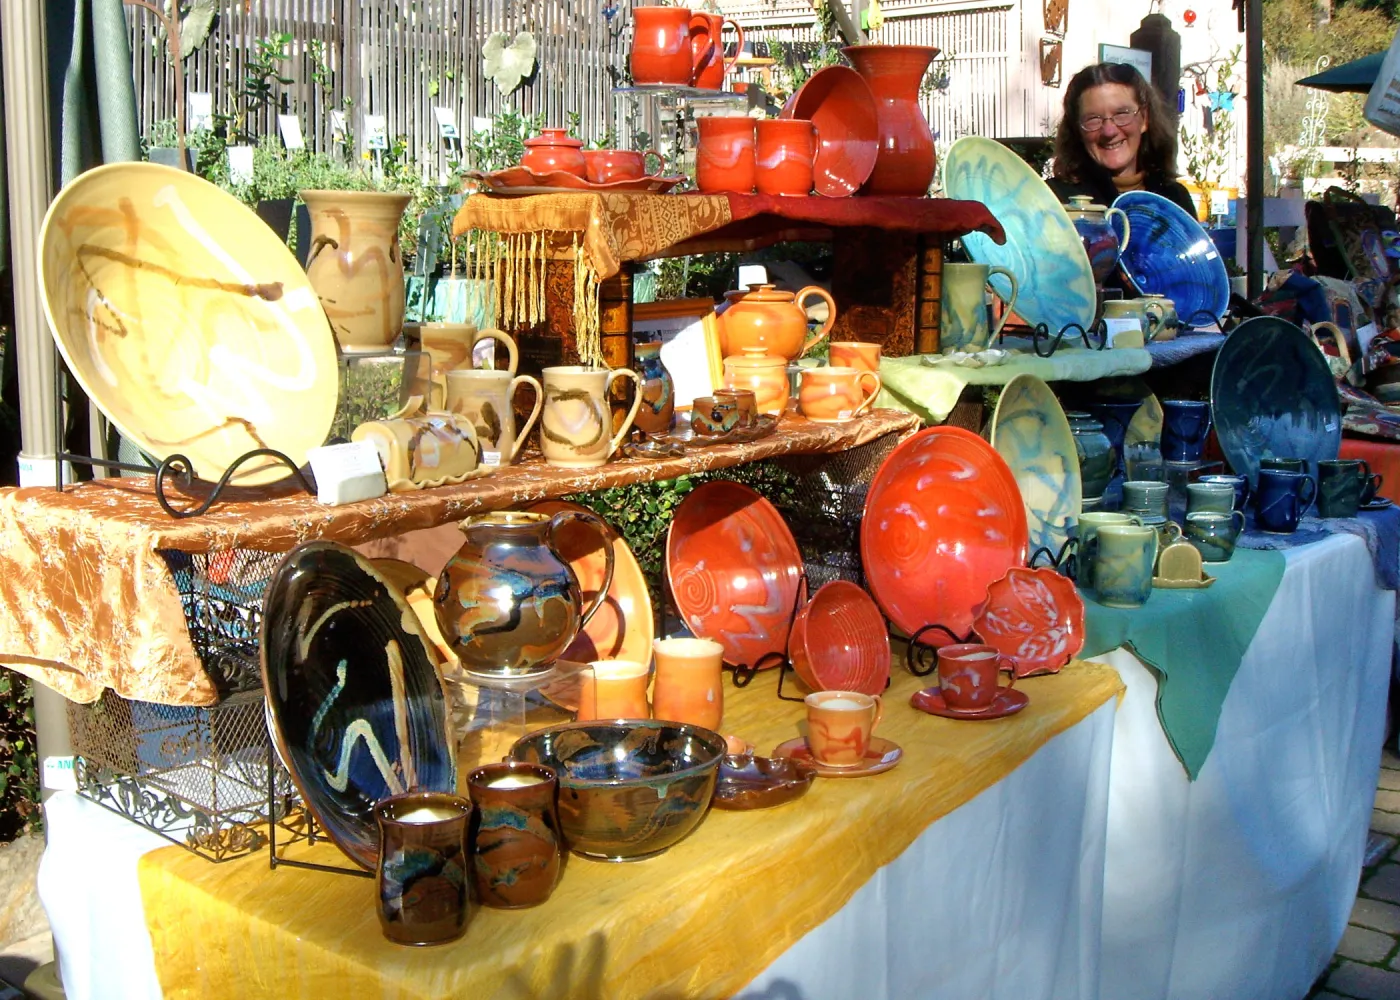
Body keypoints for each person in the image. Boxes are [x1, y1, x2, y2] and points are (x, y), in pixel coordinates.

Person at [1048, 62, 1197, 218]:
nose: (1109, 131)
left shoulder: (1175, 199)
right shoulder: (1055, 201)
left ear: (1144, 119)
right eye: (1093, 119)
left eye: (1121, 114)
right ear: (1077, 128)